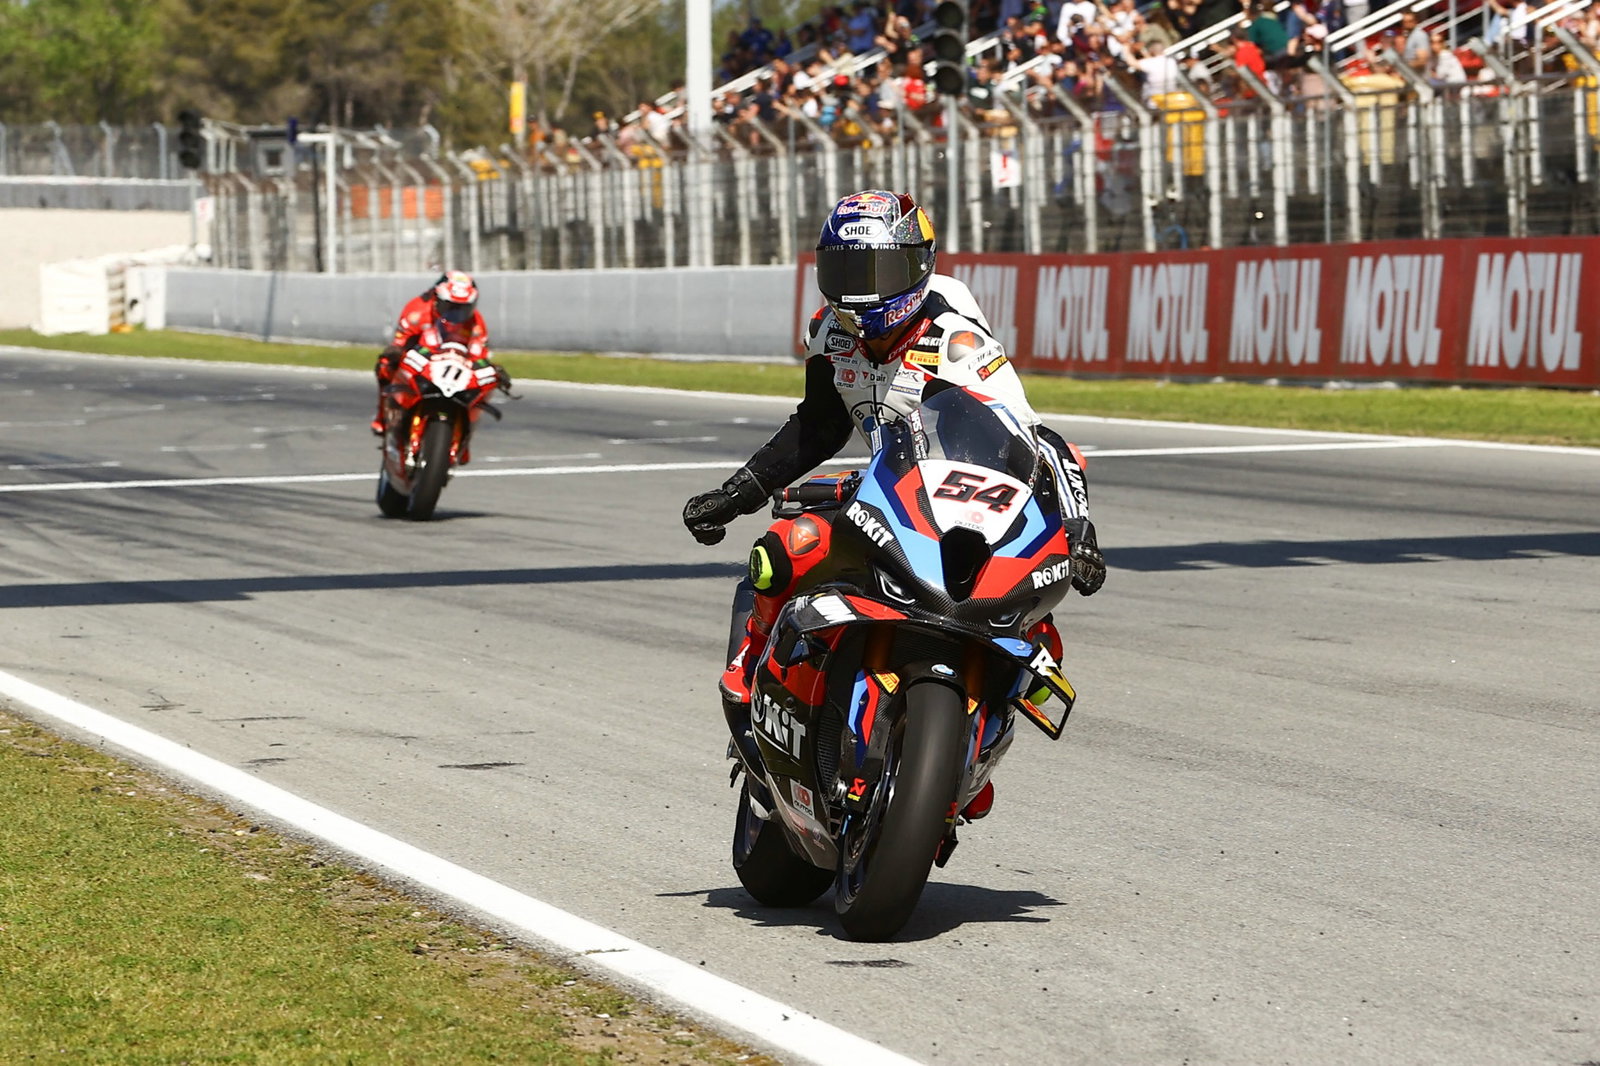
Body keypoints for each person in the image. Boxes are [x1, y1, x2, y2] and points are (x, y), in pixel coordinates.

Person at [680, 189, 1106, 819]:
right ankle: (747, 680)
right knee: (783, 550)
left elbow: (1032, 436)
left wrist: (1082, 533)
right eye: (845, 273)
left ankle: (975, 746)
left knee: (1039, 628)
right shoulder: (832, 334)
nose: (859, 293)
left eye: (875, 272)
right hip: (879, 492)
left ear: (916, 266)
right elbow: (818, 428)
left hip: (952, 502)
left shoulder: (958, 341)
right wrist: (738, 492)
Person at [372, 270, 509, 438]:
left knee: (487, 383)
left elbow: (480, 354)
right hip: (420, 355)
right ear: (436, 299)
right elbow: (400, 344)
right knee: (386, 364)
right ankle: (383, 416)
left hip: (456, 364)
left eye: (463, 308)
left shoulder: (475, 322)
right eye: (449, 307)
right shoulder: (416, 312)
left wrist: (491, 370)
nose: (456, 314)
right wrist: (397, 352)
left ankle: (465, 434)